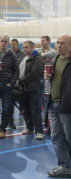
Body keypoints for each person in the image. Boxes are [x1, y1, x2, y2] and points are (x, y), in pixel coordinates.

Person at [45, 34, 71, 178]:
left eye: (62, 43)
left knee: (69, 138)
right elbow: (51, 82)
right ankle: (64, 166)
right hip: (53, 104)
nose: (58, 45)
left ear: (70, 46)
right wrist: (46, 78)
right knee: (56, 137)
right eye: (57, 43)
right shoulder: (55, 60)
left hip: (67, 106)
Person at [16, 41, 43, 139]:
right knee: (25, 109)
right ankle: (29, 128)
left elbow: (32, 74)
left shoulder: (38, 59)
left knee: (35, 110)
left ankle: (39, 131)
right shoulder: (22, 58)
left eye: (26, 47)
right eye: (23, 47)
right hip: (22, 88)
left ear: (32, 48)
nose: (24, 49)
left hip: (33, 88)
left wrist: (20, 81)